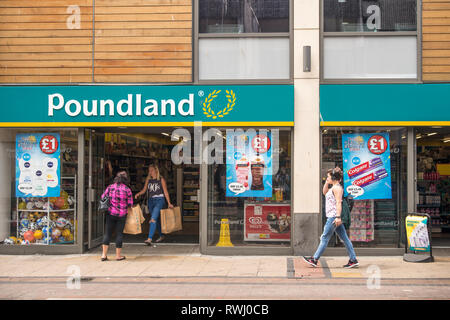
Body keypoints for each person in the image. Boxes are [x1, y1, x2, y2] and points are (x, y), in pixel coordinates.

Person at [303, 167, 359, 268]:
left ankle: (314, 259)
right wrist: (326, 182)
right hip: (333, 216)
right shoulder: (333, 187)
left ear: (333, 178)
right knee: (345, 238)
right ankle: (353, 259)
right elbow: (324, 192)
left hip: (333, 217)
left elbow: (338, 202)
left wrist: (337, 217)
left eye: (328, 177)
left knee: (324, 237)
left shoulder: (337, 188)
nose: (326, 178)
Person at [135, 164, 174, 246]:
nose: (150, 172)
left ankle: (149, 238)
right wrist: (138, 194)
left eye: (151, 170)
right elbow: (144, 190)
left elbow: (165, 192)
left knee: (153, 218)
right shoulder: (148, 179)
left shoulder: (161, 179)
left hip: (159, 200)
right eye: (149, 170)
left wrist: (169, 203)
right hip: (151, 201)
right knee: (157, 219)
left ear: (156, 170)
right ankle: (161, 235)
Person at [100, 171, 133, 261]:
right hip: (122, 215)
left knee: (107, 233)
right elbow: (130, 204)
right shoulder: (127, 189)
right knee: (119, 234)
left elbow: (103, 197)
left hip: (111, 213)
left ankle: (104, 255)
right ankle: (118, 256)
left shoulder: (110, 187)